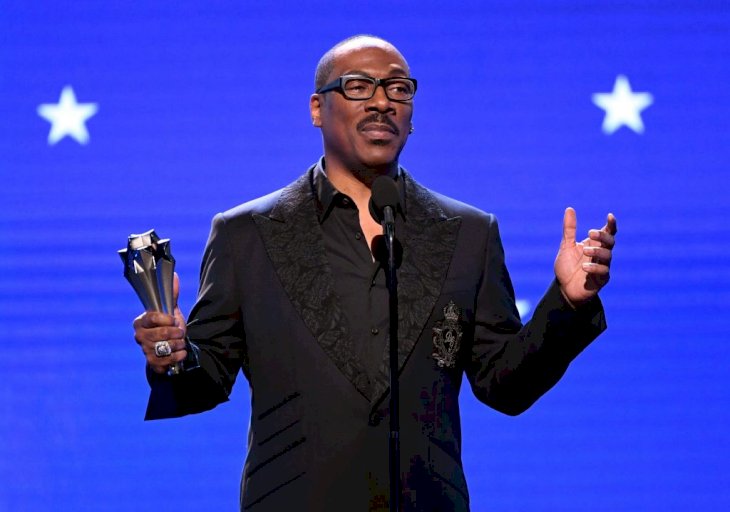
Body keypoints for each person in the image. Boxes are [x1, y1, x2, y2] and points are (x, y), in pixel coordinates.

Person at [133, 34, 617, 511]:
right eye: (359, 87)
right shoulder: (247, 234)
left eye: (398, 88)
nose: (382, 102)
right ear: (317, 109)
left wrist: (568, 303)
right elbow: (206, 378)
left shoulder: (469, 233)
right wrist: (169, 353)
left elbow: (506, 384)